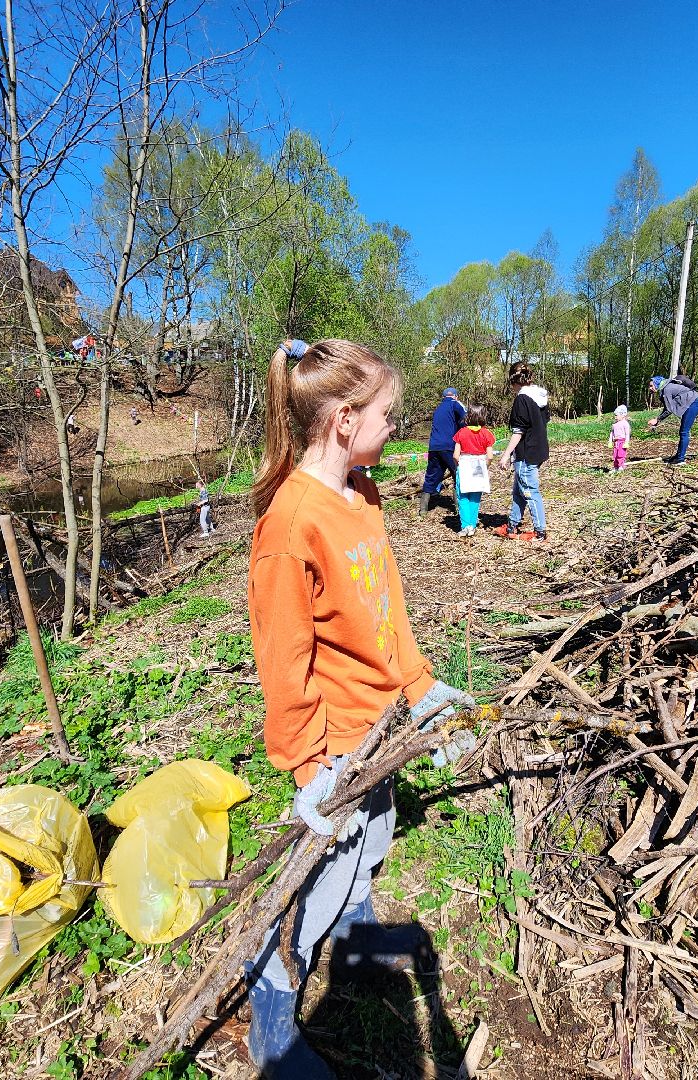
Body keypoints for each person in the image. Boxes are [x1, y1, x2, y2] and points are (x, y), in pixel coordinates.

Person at [246, 337, 475, 1078]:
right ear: (344, 420)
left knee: (373, 839)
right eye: (387, 415)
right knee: (322, 875)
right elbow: (283, 664)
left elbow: (386, 609)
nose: (397, 426)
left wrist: (419, 687)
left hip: (379, 726)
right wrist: (308, 764)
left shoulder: (363, 494)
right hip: (333, 741)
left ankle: (351, 917)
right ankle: (271, 1006)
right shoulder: (290, 527)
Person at [494, 364, 550, 542]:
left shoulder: (522, 399)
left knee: (530, 491)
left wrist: (506, 454)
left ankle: (540, 532)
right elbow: (541, 423)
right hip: (538, 449)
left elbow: (519, 431)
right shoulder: (539, 397)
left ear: (512, 381)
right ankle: (512, 525)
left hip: (528, 452)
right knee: (519, 490)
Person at [418, 387, 467, 516]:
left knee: (431, 476)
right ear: (455, 396)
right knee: (459, 475)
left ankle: (423, 509)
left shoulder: (438, 408)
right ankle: (460, 509)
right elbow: (465, 421)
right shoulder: (456, 405)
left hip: (434, 447)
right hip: (449, 446)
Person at [452, 403, 494, 538]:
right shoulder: (486, 433)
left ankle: (465, 526)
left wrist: (458, 465)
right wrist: (485, 466)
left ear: (468, 416)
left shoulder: (461, 433)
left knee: (463, 496)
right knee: (475, 497)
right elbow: (490, 456)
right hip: (479, 467)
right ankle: (473, 525)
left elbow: (455, 455)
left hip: (464, 466)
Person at [647, 373, 698, 465]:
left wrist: (657, 419)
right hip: (691, 404)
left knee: (684, 432)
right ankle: (679, 456)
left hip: (693, 404)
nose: (650, 388)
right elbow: (668, 408)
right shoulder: (666, 388)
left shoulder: (667, 390)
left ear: (657, 383)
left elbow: (669, 410)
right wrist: (658, 420)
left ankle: (680, 459)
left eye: (651, 386)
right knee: (683, 431)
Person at [609, 404, 631, 472]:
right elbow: (612, 433)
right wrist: (610, 441)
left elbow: (627, 434)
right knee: (615, 455)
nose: (615, 417)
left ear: (623, 415)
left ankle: (621, 466)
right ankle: (616, 467)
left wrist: (627, 442)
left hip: (622, 441)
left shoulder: (625, 424)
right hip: (616, 442)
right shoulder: (614, 424)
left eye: (616, 415)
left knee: (620, 454)